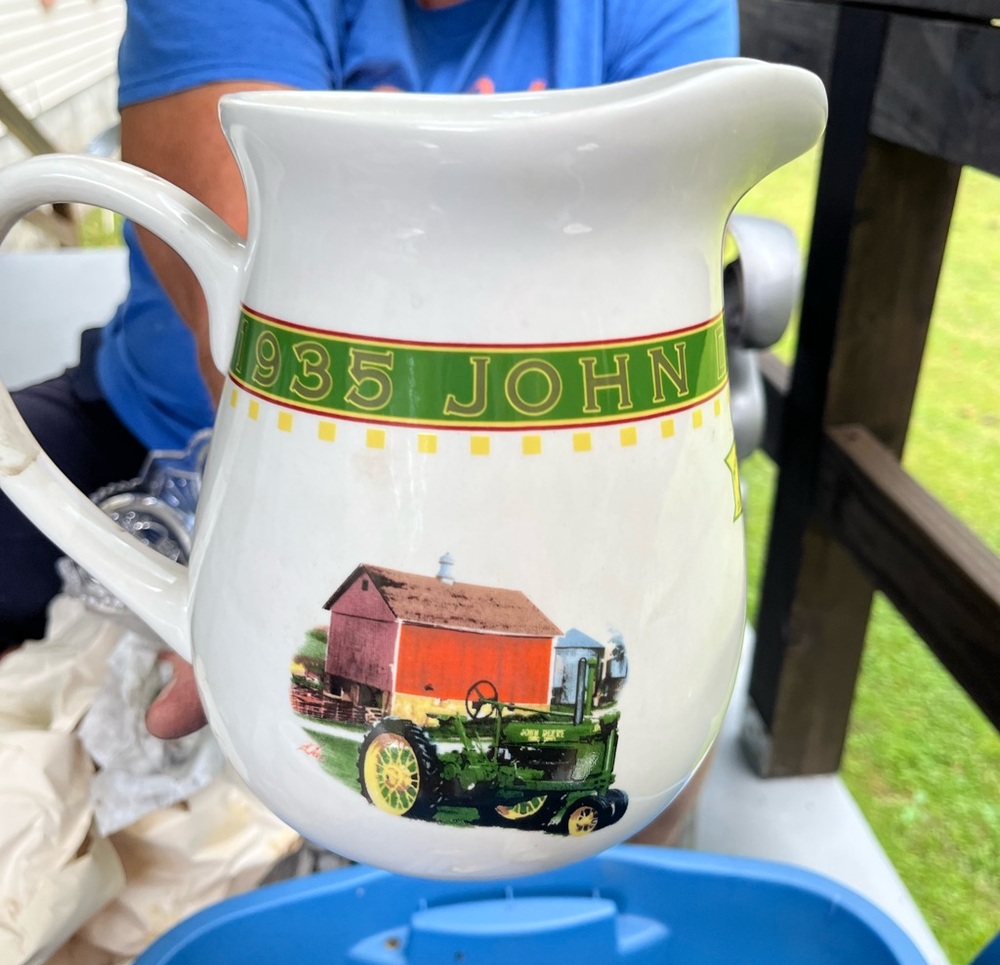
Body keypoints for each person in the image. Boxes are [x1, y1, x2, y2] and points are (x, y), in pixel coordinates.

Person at [0, 0, 738, 738]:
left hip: (541, 505)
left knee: (652, 735)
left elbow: (651, 284)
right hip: (149, 432)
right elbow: (276, 312)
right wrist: (254, 597)